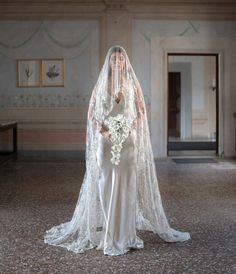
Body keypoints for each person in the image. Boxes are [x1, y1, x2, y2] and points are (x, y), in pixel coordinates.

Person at [44, 46, 190, 256]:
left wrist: (128, 128)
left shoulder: (132, 85)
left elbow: (140, 113)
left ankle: (126, 235)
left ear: (125, 62)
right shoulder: (101, 84)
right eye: (114, 59)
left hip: (127, 142)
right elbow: (91, 115)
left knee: (126, 186)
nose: (118, 62)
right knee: (105, 185)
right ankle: (109, 234)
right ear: (109, 62)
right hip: (106, 142)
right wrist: (104, 132)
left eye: (121, 59)